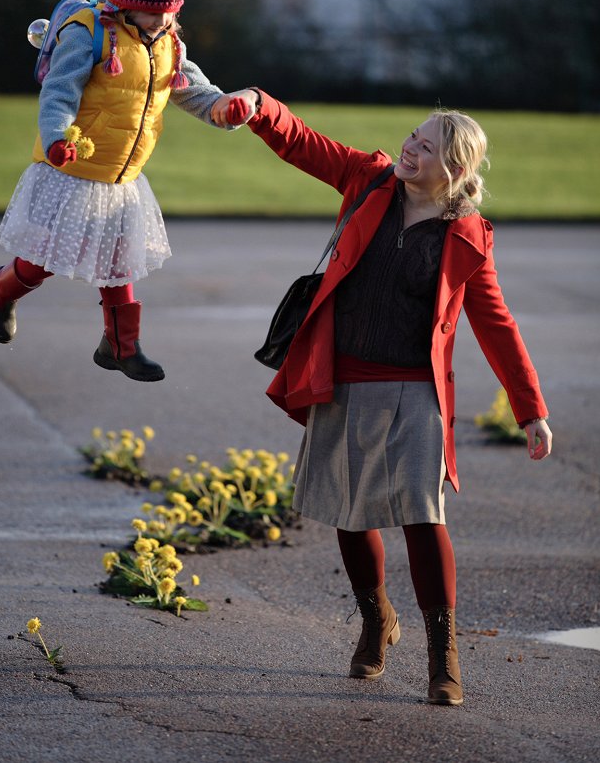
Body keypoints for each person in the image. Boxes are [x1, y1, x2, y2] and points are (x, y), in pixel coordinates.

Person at [215, 91, 553, 706]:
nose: (409, 147)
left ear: (453, 170)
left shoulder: (467, 236)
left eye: (424, 146)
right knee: (351, 513)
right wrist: (257, 107)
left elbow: (495, 323)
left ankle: (442, 655)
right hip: (343, 376)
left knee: (424, 517)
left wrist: (529, 408)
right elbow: (302, 141)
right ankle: (376, 620)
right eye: (412, 136)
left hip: (417, 390)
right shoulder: (368, 180)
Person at [0, 0, 258, 382]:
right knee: (45, 258)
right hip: (71, 165)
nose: (161, 21)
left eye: (169, 13)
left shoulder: (168, 42)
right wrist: (56, 137)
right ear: (126, 1)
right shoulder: (90, 33)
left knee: (120, 261)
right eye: (153, 11)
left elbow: (193, 90)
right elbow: (59, 92)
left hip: (123, 177)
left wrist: (226, 108)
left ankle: (122, 346)